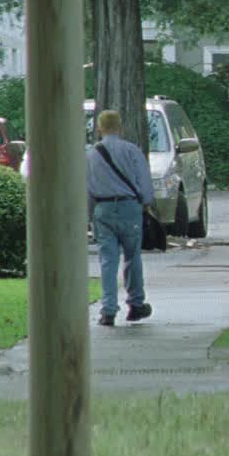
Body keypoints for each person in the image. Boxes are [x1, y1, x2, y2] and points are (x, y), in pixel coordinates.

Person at [86, 109, 154, 327]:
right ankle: (135, 304)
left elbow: (86, 187)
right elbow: (144, 183)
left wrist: (89, 213)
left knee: (107, 259)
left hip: (103, 208)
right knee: (132, 256)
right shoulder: (131, 151)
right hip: (129, 207)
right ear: (120, 127)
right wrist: (145, 203)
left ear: (99, 128)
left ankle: (108, 310)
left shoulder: (90, 154)